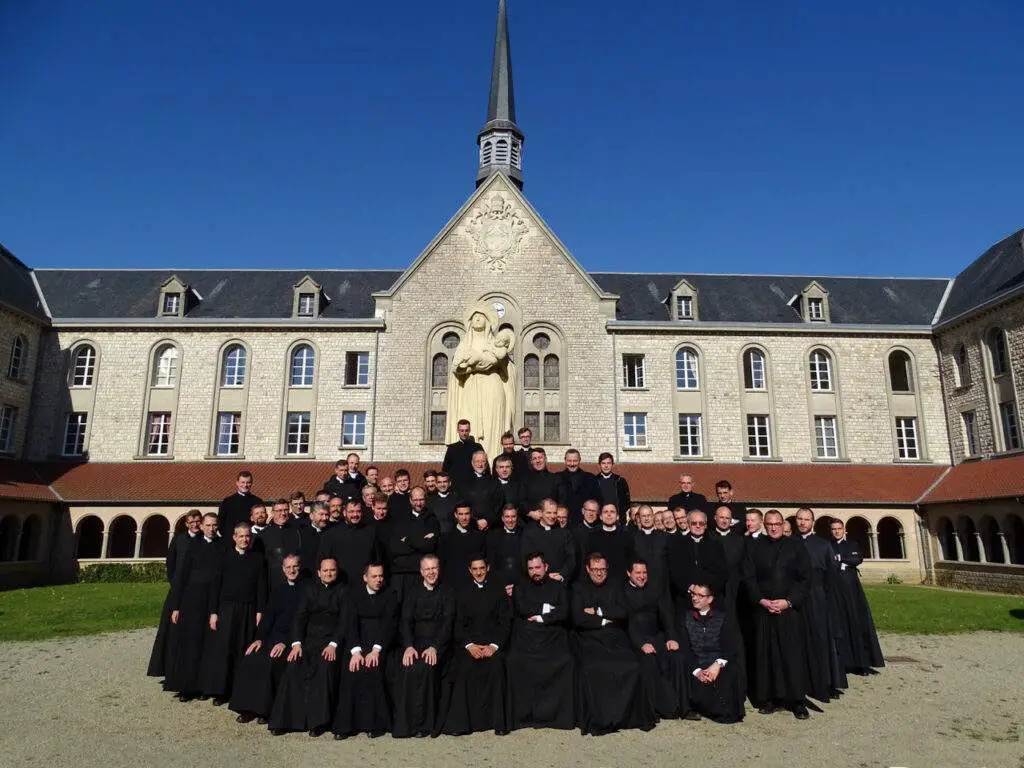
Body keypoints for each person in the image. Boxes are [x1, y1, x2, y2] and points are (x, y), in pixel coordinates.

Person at [572, 553, 656, 735]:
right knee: (593, 668)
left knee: (632, 665)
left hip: (615, 637)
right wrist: (605, 620)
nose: (599, 573)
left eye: (602, 569)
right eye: (595, 569)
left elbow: (623, 612)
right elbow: (578, 618)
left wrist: (597, 611)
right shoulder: (578, 588)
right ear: (587, 569)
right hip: (589, 638)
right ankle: (600, 718)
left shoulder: (616, 586)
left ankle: (628, 717)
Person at [268, 558, 348, 737]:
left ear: (337, 571)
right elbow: (299, 618)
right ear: (318, 572)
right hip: (308, 642)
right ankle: (286, 720)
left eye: (332, 570)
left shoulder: (344, 592)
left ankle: (317, 722)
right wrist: (296, 644)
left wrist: (333, 645)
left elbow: (344, 622)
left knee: (323, 670)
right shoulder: (309, 590)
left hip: (330, 643)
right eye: (325, 570)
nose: (329, 573)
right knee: (293, 668)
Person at [743, 510, 811, 719]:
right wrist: (761, 600)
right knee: (766, 655)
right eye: (770, 524)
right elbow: (749, 578)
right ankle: (769, 698)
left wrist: (788, 602)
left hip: (788, 610)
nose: (774, 528)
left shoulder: (796, 546)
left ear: (783, 524)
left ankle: (797, 700)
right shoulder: (755, 548)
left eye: (777, 524)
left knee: (791, 655)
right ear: (764, 525)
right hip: (763, 609)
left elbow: (805, 578)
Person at [230, 554, 305, 725]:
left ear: (300, 567)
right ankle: (247, 708)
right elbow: (268, 618)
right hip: (273, 637)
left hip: (292, 640)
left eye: (294, 566)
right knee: (250, 658)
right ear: (283, 570)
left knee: (271, 662)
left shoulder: (307, 590)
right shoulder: (278, 590)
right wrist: (258, 639)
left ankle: (264, 710)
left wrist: (286, 642)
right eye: (288, 567)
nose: (291, 570)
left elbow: (303, 622)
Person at [198, 522, 267, 705]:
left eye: (248, 536)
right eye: (241, 536)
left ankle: (239, 690)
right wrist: (213, 612)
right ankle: (221, 691)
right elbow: (216, 586)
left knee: (243, 649)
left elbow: (261, 587)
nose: (245, 539)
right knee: (224, 650)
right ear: (234, 537)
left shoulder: (258, 559)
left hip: (249, 609)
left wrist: (260, 611)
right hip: (227, 608)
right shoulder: (224, 556)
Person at [505, 553, 575, 731]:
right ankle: (524, 716)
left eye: (538, 567)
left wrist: (542, 617)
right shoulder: (521, 586)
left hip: (553, 636)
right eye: (531, 568)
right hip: (528, 636)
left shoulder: (558, 586)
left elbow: (565, 611)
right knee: (514, 662)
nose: (534, 572)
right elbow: (522, 607)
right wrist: (548, 607)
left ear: (546, 567)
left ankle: (556, 716)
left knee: (567, 661)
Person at [442, 557, 511, 735]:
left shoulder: (498, 591)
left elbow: (505, 622)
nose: (479, 572)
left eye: (482, 568)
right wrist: (470, 645)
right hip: (470, 646)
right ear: (469, 570)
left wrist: (493, 646)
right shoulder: (461, 592)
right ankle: (461, 724)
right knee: (464, 669)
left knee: (497, 667)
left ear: (488, 568)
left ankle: (499, 724)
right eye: (475, 569)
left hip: (492, 645)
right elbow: (458, 624)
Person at [332, 563, 399, 740]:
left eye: (381, 576)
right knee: (351, 670)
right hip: (358, 643)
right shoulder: (353, 595)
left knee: (373, 669)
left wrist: (376, 650)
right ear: (365, 578)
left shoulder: (390, 595)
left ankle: (374, 724)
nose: (378, 580)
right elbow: (350, 624)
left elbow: (389, 625)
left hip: (380, 644)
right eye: (374, 576)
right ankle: (345, 725)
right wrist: (355, 651)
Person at [391, 555, 454, 738]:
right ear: (421, 571)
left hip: (438, 644)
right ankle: (407, 725)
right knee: (408, 667)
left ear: (439, 569)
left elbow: (448, 623)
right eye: (427, 569)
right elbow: (405, 621)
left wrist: (435, 647)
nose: (431, 572)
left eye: (434, 568)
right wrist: (408, 646)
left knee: (427, 667)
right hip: (415, 643)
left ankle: (424, 726)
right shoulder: (412, 592)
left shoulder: (448, 591)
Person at [164, 513, 223, 701]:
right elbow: (181, 576)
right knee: (190, 642)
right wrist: (176, 606)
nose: (211, 528)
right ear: (202, 526)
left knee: (209, 644)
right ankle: (186, 687)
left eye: (215, 525)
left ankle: (205, 686)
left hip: (213, 600)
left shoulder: (223, 546)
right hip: (193, 600)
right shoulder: (193, 546)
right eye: (208, 525)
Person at [623, 559, 689, 719]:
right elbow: (626, 623)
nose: (642, 576)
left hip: (656, 636)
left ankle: (684, 707)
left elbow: (666, 616)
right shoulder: (621, 592)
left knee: (677, 658)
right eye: (638, 573)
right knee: (648, 662)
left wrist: (671, 638)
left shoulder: (654, 590)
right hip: (633, 641)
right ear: (629, 573)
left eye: (644, 572)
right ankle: (664, 708)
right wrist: (641, 644)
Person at [148, 509, 202, 679]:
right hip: (179, 589)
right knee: (171, 629)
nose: (195, 525)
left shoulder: (204, 540)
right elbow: (170, 563)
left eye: (197, 521)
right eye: (191, 522)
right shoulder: (179, 540)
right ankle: (168, 667)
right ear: (186, 524)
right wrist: (175, 583)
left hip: (197, 590)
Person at [682, 582, 745, 723]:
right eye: (693, 594)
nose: (695, 598)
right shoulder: (685, 618)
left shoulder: (722, 618)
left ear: (710, 599)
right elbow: (685, 649)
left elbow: (729, 646)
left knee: (729, 675)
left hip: (717, 664)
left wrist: (717, 665)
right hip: (695, 664)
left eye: (700, 595)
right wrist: (697, 671)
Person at [829, 519, 885, 676]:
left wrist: (839, 559)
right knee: (839, 625)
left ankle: (862, 662)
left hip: (852, 593)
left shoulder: (851, 545)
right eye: (833, 529)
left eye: (839, 528)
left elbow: (857, 559)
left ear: (844, 530)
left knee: (856, 622)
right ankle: (842, 662)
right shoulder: (828, 546)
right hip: (835, 592)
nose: (837, 531)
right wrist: (844, 561)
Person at [667, 510, 730, 606]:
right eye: (694, 523)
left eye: (701, 523)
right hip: (686, 598)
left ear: (705, 525)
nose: (698, 526)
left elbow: (723, 572)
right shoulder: (677, 545)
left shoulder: (716, 545)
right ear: (688, 524)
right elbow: (675, 571)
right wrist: (691, 588)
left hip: (711, 598)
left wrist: (707, 590)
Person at [389, 486, 440, 601]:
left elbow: (429, 546)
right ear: (410, 500)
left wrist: (407, 540)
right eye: (415, 500)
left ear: (425, 499)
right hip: (402, 573)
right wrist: (420, 541)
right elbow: (395, 547)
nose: (418, 503)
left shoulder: (432, 519)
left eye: (421, 499)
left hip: (421, 574)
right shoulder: (401, 519)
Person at [318, 498, 380, 589]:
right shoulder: (331, 534)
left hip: (365, 586)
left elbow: (377, 560)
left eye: (358, 511)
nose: (355, 515)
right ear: (344, 512)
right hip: (340, 587)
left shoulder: (371, 532)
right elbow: (323, 561)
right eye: (351, 511)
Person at [519, 498, 575, 583]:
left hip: (559, 582)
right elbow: (525, 561)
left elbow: (571, 559)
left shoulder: (565, 534)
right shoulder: (529, 534)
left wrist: (561, 575)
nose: (552, 516)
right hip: (537, 582)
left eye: (554, 513)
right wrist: (545, 576)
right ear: (540, 512)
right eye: (549, 513)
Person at [254, 499, 302, 592]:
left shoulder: (296, 532)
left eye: (285, 510)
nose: (283, 513)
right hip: (273, 583)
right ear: (272, 513)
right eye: (279, 510)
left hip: (294, 582)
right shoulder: (262, 535)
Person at [439, 502, 486, 589]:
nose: (464, 518)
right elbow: (442, 564)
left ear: (471, 514)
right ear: (456, 515)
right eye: (461, 514)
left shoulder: (479, 537)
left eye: (467, 514)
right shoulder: (446, 538)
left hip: (473, 587)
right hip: (452, 586)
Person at [585, 503, 634, 580]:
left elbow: (631, 560)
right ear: (601, 516)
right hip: (599, 581)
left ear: (617, 516)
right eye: (605, 512)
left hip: (621, 581)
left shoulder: (626, 537)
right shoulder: (592, 536)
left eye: (612, 512)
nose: (609, 514)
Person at [631, 504, 669, 593]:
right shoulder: (633, 538)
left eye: (649, 515)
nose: (646, 518)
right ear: (639, 519)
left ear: (653, 516)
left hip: (662, 585)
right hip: (641, 587)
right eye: (643, 516)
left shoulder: (664, 537)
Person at [486, 504, 522, 594]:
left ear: (517, 517)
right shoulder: (494, 536)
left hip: (521, 584)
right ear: (502, 518)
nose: (510, 520)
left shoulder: (524, 534)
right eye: (507, 517)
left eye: (513, 516)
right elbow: (492, 563)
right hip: (501, 585)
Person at [462, 450, 502, 529]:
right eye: (477, 461)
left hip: (490, 526)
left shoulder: (494, 481)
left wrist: (488, 520)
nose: (480, 464)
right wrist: (475, 521)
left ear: (486, 463)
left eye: (483, 461)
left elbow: (498, 504)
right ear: (472, 463)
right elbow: (462, 504)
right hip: (471, 525)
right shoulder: (465, 482)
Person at [520, 448, 563, 520]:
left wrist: (553, 514)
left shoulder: (556, 479)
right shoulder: (525, 480)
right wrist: (530, 513)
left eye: (540, 457)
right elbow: (521, 501)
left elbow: (562, 500)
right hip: (531, 521)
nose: (538, 461)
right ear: (531, 462)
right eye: (534, 459)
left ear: (545, 459)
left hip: (552, 520)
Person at [559, 448, 599, 526]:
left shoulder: (590, 478)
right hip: (562, 522)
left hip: (584, 523)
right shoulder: (557, 478)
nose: (572, 464)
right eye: (569, 461)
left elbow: (597, 500)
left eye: (575, 461)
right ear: (565, 460)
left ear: (580, 460)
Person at [218, 471, 262, 538]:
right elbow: (220, 522)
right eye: (243, 482)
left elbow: (261, 521)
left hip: (251, 539)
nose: (245, 485)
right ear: (237, 483)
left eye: (248, 482)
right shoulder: (227, 502)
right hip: (231, 540)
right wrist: (228, 537)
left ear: (251, 483)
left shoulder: (257, 501)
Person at [443, 419, 485, 489]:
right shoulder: (451, 448)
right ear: (458, 431)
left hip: (474, 486)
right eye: (462, 431)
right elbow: (445, 469)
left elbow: (484, 465)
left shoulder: (477, 447)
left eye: (466, 430)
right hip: (456, 487)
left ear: (469, 430)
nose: (464, 433)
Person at [297, 503, 331, 580]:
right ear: (311, 516)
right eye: (321, 514)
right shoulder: (301, 533)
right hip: (307, 577)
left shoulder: (331, 533)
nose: (324, 518)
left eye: (326, 515)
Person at [493, 456, 524, 521]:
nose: (504, 470)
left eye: (507, 467)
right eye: (501, 467)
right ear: (496, 469)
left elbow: (522, 506)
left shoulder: (518, 486)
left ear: (511, 469)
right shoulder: (490, 485)